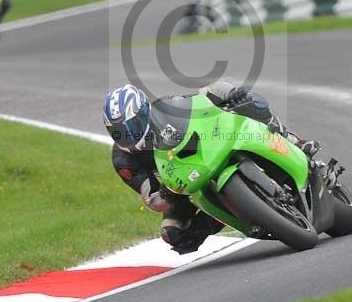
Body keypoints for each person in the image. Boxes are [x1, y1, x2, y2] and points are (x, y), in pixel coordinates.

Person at [103, 81, 321, 254]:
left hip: (207, 150)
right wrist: (165, 194)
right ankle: (232, 213)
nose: (128, 135)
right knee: (173, 234)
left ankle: (293, 141)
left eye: (132, 126)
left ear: (144, 112)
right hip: (178, 188)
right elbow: (151, 199)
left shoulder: (165, 108)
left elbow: (201, 100)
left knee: (232, 96)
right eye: (118, 131)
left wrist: (228, 96)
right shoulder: (124, 162)